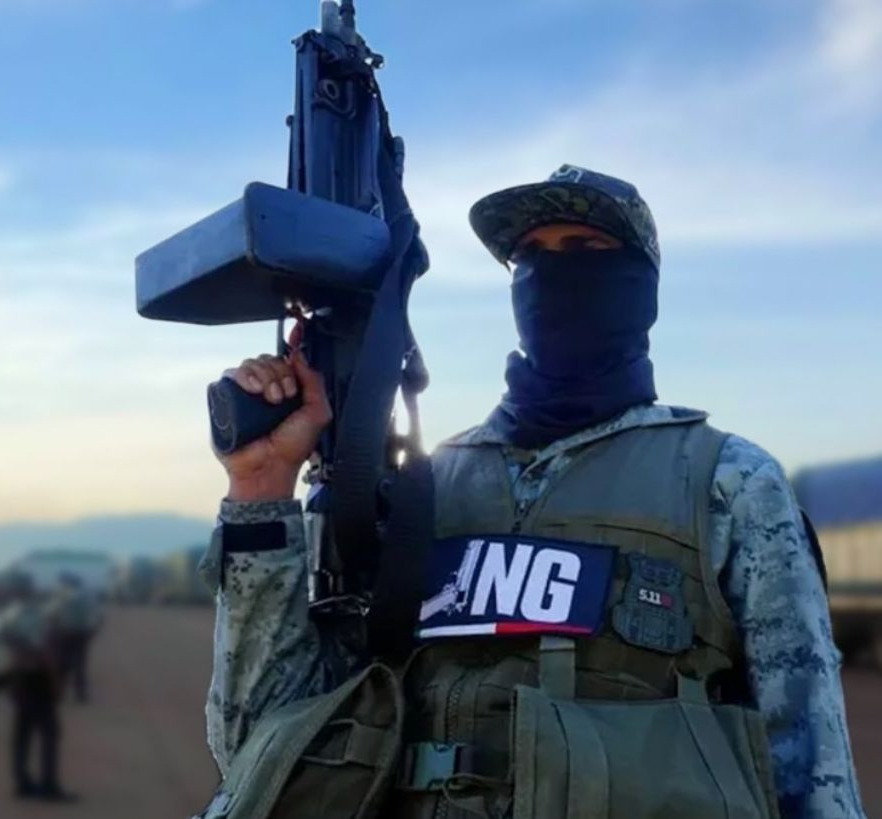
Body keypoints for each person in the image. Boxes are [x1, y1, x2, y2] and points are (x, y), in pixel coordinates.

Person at [198, 167, 864, 818]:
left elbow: (809, 761)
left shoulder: (728, 482)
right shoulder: (422, 491)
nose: (552, 274)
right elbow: (261, 742)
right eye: (529, 258)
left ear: (638, 286)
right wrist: (261, 485)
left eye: (583, 249)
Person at [0, 574, 75, 802]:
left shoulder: (9, 613)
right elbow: (44, 652)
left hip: (18, 675)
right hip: (37, 677)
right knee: (50, 733)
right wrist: (56, 682)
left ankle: (22, 781)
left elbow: (6, 646)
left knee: (22, 733)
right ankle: (48, 785)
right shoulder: (35, 615)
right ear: (30, 590)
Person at [50, 573, 103, 703]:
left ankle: (58, 693)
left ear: (68, 583)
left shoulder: (62, 595)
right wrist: (94, 630)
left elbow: (51, 612)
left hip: (65, 632)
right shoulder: (89, 595)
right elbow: (98, 614)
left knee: (62, 664)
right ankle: (81, 694)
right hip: (83, 633)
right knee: (80, 664)